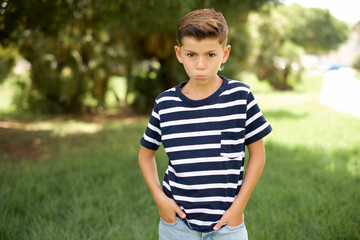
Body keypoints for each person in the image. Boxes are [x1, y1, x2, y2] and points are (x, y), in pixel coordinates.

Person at [138, 8, 272, 240]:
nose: (201, 65)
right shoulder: (165, 103)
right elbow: (145, 155)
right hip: (176, 225)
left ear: (225, 53)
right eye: (192, 55)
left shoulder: (240, 96)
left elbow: (258, 155)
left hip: (228, 224)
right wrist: (160, 199)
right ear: (179, 54)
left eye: (210, 55)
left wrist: (238, 208)